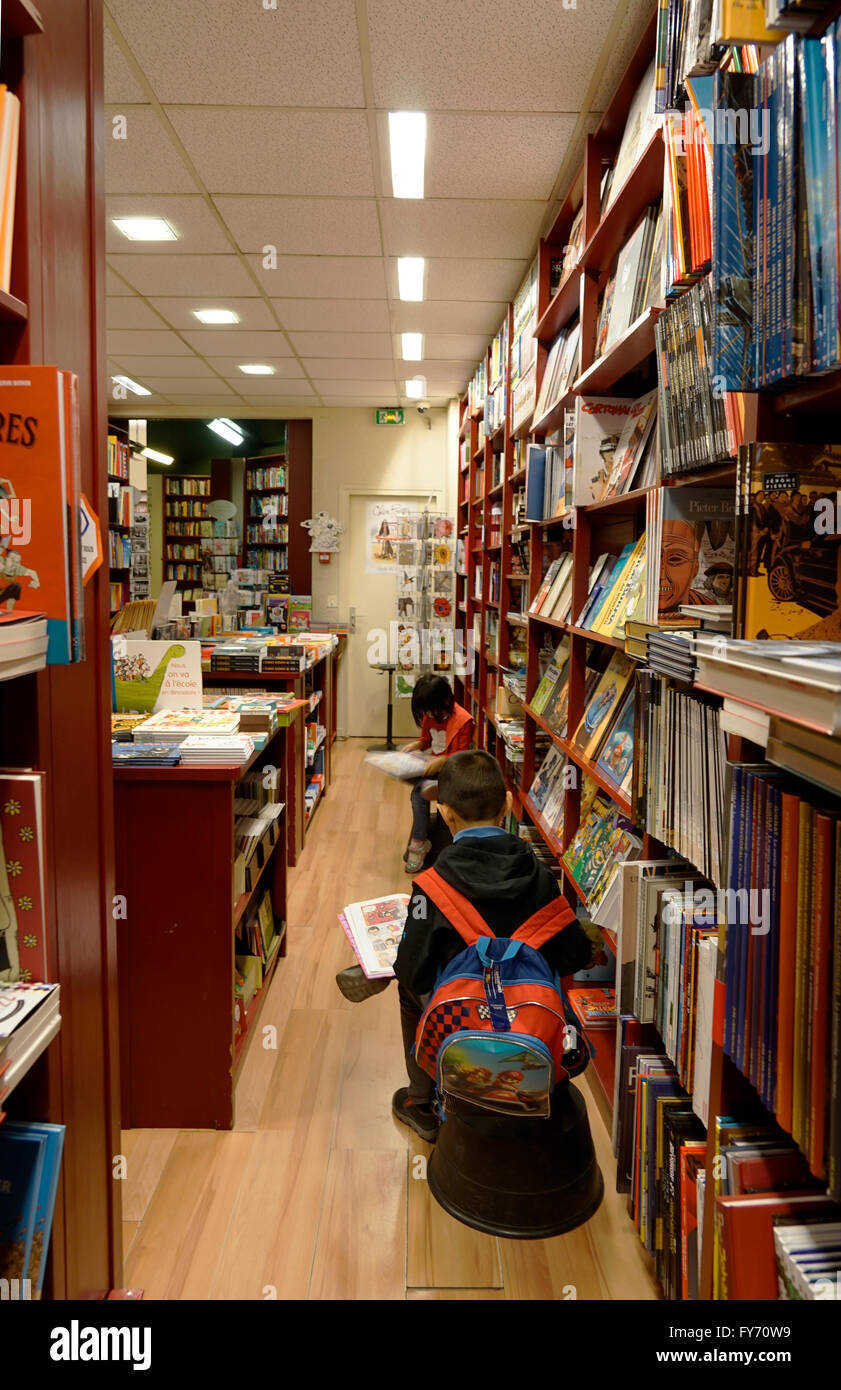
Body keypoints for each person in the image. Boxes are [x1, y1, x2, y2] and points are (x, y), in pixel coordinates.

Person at [390, 750, 598, 1143]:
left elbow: (411, 968)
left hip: (462, 1023)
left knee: (405, 990)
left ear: (446, 815)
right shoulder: (540, 876)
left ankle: (422, 1104)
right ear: (506, 803)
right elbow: (574, 954)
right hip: (532, 1025)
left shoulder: (432, 886)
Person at [400, 673, 475, 874]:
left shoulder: (463, 721)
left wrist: (442, 760)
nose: (427, 715)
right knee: (418, 792)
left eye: (429, 710)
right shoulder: (429, 714)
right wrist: (416, 745)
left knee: (440, 798)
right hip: (436, 769)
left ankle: (436, 846)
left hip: (455, 772)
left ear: (446, 701)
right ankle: (419, 842)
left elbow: (462, 755)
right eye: (423, 711)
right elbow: (427, 739)